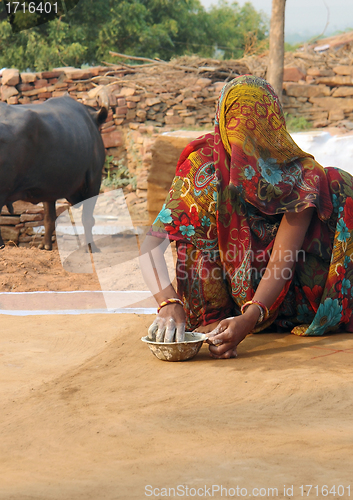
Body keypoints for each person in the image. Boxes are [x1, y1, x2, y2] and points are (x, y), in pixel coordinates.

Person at [140, 75, 353, 359]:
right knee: (192, 232)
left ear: (274, 131)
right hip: (225, 285)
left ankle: (248, 319)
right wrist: (168, 302)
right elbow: (150, 247)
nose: (246, 152)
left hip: (286, 290)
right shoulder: (202, 168)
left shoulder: (299, 175)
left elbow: (282, 259)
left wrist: (250, 318)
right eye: (239, 136)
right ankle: (212, 319)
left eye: (257, 138)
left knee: (338, 186)